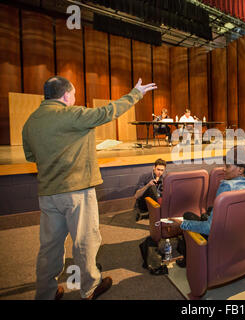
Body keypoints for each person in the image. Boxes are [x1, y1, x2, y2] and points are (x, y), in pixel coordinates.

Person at [22, 76, 157, 300]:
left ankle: (46, 293)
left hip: (47, 194)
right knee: (85, 241)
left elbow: (30, 155)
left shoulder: (31, 121)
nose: (74, 98)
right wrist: (136, 94)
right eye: (73, 94)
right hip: (76, 191)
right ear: (66, 95)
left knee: (49, 247)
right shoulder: (71, 114)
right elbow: (107, 112)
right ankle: (90, 287)